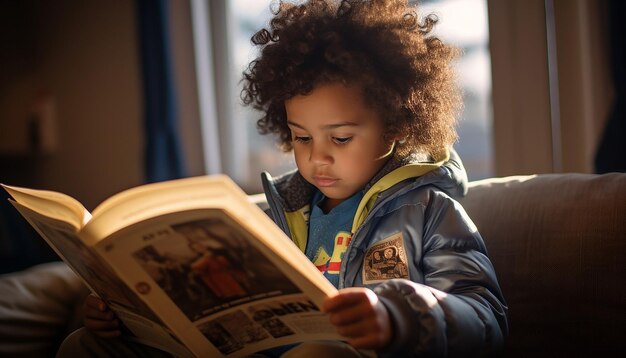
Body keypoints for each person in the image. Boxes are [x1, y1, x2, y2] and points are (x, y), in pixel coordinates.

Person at [57, 0, 507, 356]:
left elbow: (485, 318)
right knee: (86, 344)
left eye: (342, 138)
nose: (317, 158)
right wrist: (128, 313)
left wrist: (398, 315)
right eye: (301, 137)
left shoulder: (429, 211)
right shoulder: (278, 213)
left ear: (396, 127)